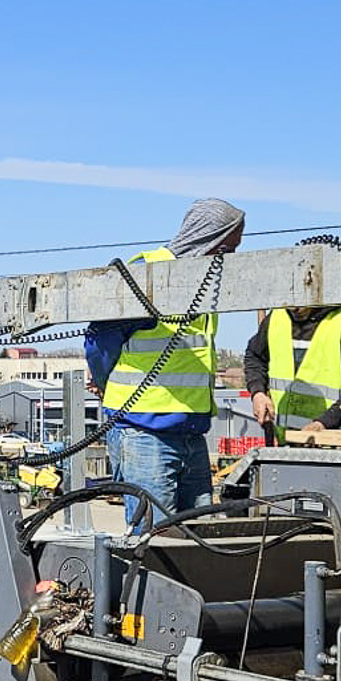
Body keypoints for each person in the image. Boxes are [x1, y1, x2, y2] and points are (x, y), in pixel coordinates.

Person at [85, 198, 246, 530]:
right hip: (144, 431)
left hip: (190, 433)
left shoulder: (205, 287)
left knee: (199, 535)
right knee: (155, 539)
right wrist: (105, 385)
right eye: (227, 248)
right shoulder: (147, 274)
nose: (230, 258)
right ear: (207, 239)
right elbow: (100, 344)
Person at [243, 305, 341, 444]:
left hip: (338, 444)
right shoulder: (277, 317)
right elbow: (254, 357)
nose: (295, 309)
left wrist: (323, 423)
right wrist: (258, 392)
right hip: (286, 444)